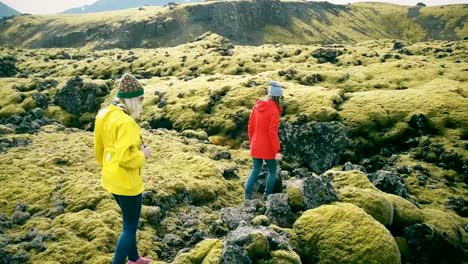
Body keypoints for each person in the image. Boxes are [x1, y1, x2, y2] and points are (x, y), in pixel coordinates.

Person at [94, 73, 152, 264]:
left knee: (128, 222)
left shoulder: (105, 113)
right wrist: (143, 154)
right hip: (127, 183)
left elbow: (99, 148)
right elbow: (127, 158)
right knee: (129, 227)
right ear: (134, 100)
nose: (142, 104)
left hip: (110, 178)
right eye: (141, 100)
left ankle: (134, 258)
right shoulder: (127, 123)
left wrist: (107, 169)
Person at [245, 81, 283, 202]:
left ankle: (247, 196)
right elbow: (272, 133)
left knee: (255, 169)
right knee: (272, 171)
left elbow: (250, 127)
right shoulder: (274, 111)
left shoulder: (256, 106)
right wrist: (277, 150)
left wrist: (252, 143)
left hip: (256, 144)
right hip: (268, 147)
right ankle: (268, 196)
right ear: (278, 96)